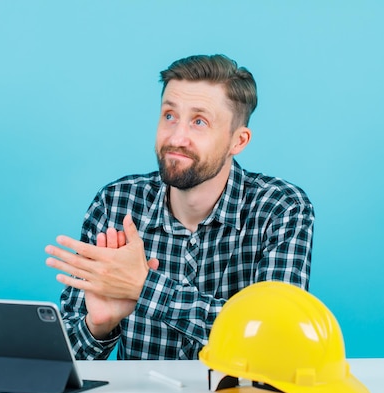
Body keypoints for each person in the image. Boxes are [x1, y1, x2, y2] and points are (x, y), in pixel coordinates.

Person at [45, 54, 314, 360]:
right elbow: (64, 362)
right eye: (169, 116)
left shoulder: (281, 209)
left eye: (199, 121)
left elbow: (277, 338)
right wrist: (98, 326)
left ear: (237, 141)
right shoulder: (116, 203)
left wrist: (145, 288)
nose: (176, 137)